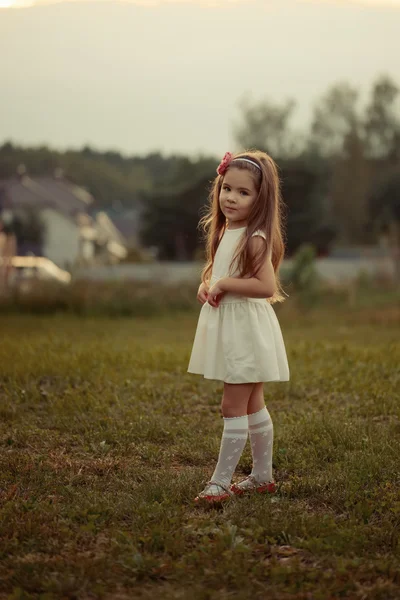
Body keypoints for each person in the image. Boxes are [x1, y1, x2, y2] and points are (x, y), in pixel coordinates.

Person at [187, 150, 290, 504]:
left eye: (243, 192)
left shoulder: (255, 237)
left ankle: (219, 483)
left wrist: (226, 284)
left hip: (246, 329)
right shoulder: (224, 231)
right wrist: (207, 285)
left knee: (232, 406)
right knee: (252, 404)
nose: (230, 197)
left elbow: (265, 287)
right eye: (226, 188)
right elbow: (217, 274)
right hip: (236, 327)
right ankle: (262, 477)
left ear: (260, 198)